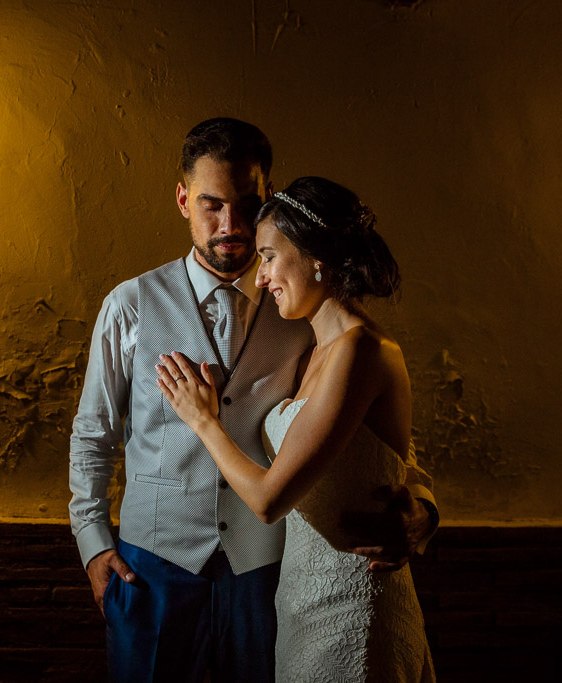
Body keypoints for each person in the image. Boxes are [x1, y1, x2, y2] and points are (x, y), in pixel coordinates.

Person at [68, 118, 438, 682]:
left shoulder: (306, 309)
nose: (231, 225)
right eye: (212, 205)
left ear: (270, 197)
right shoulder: (130, 305)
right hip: (153, 571)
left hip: (267, 571)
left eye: (247, 205)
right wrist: (93, 542)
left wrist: (423, 508)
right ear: (183, 200)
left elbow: (372, 436)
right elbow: (93, 434)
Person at [157, 176, 435, 681]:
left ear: (316, 258)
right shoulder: (312, 353)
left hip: (354, 607)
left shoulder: (361, 350)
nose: (261, 277)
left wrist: (202, 420)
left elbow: (269, 501)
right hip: (301, 603)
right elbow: (377, 458)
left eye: (268, 257)